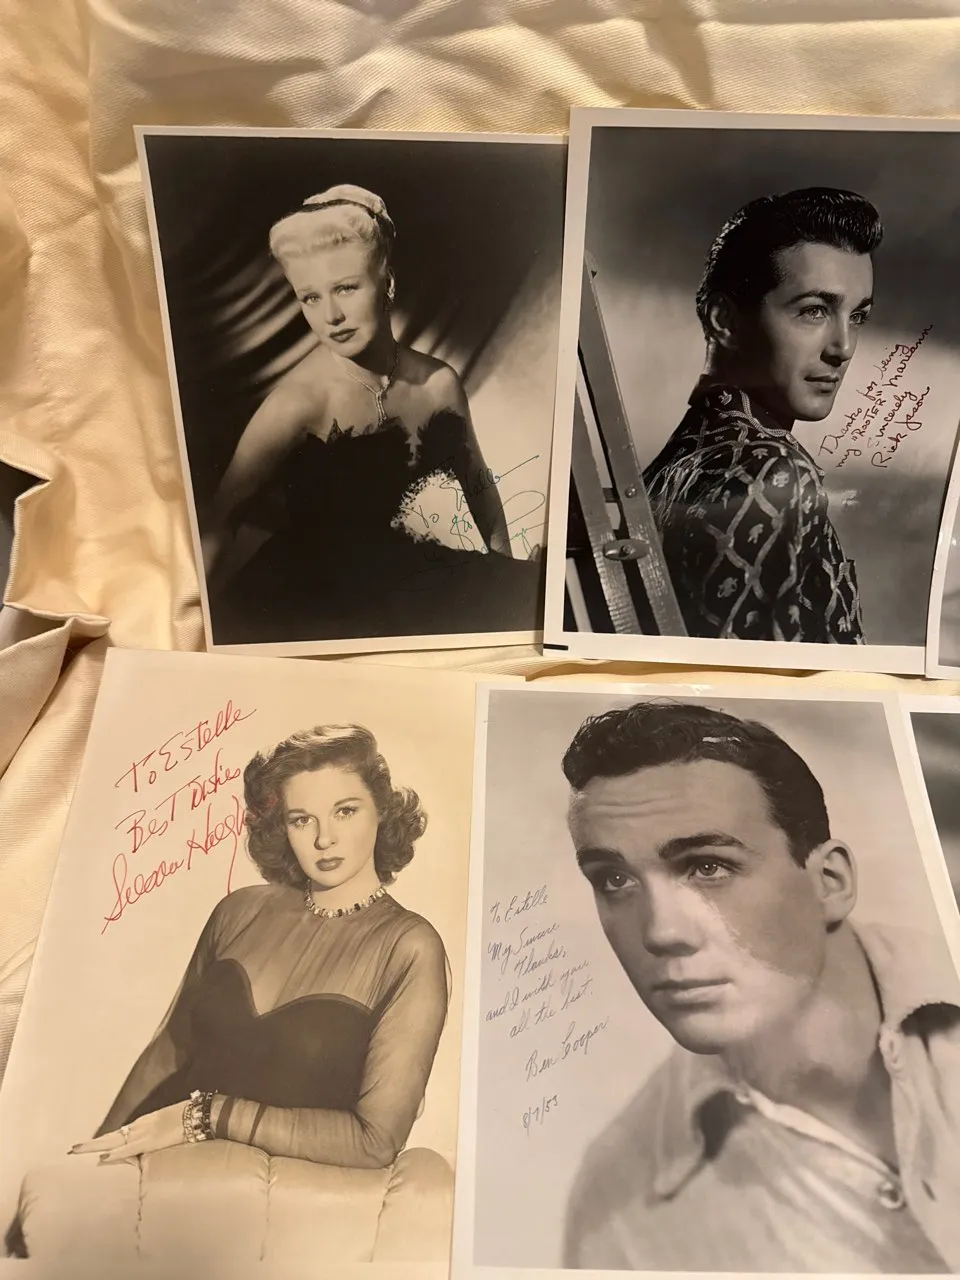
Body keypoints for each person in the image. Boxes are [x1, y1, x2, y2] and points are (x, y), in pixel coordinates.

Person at [561, 700, 960, 1274]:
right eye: (615, 880)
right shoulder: (618, 1206)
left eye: (707, 867)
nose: (660, 932)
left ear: (830, 882)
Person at [69, 723, 449, 1171]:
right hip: (153, 1175)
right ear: (281, 826)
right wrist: (96, 1159)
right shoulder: (239, 911)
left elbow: (375, 1143)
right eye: (301, 819)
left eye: (345, 811)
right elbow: (168, 1053)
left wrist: (207, 1115)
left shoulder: (410, 947)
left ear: (381, 812)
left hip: (265, 1199)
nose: (323, 839)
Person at [202, 183, 540, 644]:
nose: (331, 316)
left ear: (388, 284)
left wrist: (506, 573)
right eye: (310, 297)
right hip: (311, 600)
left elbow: (478, 485)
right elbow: (219, 521)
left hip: (402, 581)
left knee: (529, 596)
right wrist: (194, 627)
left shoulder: (438, 385)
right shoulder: (298, 402)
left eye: (345, 288)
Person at [643, 187, 882, 643]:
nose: (843, 347)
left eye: (857, 317)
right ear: (724, 320)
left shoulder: (678, 462)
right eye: (814, 311)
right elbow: (751, 674)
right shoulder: (770, 468)